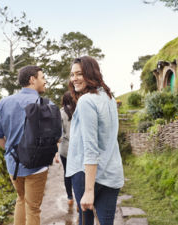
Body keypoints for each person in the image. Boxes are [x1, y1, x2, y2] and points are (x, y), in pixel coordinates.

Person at [0, 65, 59, 225]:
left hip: (14, 166)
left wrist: (13, 151)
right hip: (38, 166)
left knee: (21, 199)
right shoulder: (49, 105)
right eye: (42, 78)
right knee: (33, 208)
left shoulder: (5, 102)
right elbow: (57, 137)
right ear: (32, 79)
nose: (45, 82)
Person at [66, 56, 124, 225]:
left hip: (86, 175)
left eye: (79, 74)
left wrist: (89, 190)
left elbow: (91, 147)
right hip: (112, 172)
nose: (74, 79)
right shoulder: (109, 97)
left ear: (90, 74)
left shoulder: (86, 101)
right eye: (72, 75)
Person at [54, 91, 76, 206]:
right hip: (78, 149)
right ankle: (80, 197)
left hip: (65, 149)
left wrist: (56, 152)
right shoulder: (79, 110)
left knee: (67, 173)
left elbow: (59, 135)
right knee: (79, 173)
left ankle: (69, 197)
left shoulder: (61, 113)